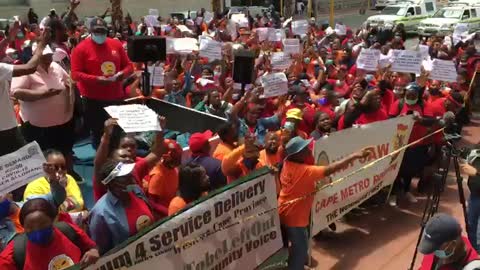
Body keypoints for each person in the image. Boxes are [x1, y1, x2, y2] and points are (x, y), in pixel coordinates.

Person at [278, 136, 372, 270]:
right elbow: (330, 169)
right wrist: (354, 156)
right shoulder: (305, 171)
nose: (309, 150)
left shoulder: (287, 163)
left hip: (283, 211)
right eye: (305, 148)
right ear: (297, 154)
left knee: (292, 247)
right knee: (301, 250)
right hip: (295, 218)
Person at [11, 43, 75, 173]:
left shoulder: (56, 66)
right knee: (40, 157)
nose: (48, 59)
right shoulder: (26, 71)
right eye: (44, 56)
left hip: (63, 121)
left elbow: (67, 79)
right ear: (35, 56)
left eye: (50, 55)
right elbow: (16, 93)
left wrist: (70, 84)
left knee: (65, 150)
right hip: (38, 127)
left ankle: (69, 173)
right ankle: (43, 180)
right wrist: (43, 94)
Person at [71, 17, 132, 148]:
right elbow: (75, 74)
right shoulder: (81, 48)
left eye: (103, 31)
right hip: (93, 100)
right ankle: (101, 164)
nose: (100, 34)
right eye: (97, 31)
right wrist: (96, 80)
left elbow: (129, 66)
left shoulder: (116, 45)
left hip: (115, 98)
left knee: (116, 133)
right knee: (98, 135)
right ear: (90, 31)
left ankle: (115, 162)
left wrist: (122, 74)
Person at [0, 198, 99, 269]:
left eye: (42, 224)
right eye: (30, 227)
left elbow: (91, 248)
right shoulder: (13, 255)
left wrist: (93, 252)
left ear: (53, 220)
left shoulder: (68, 231)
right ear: (23, 227)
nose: (37, 230)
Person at [88, 161, 155, 255]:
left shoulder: (136, 191)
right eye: (124, 177)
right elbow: (101, 251)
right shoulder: (101, 213)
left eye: (129, 174)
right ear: (112, 183)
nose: (131, 178)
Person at [147, 139, 182, 216]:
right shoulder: (158, 176)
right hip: (165, 215)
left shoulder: (173, 169)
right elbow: (152, 203)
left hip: (175, 207)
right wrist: (170, 213)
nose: (177, 164)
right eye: (175, 161)